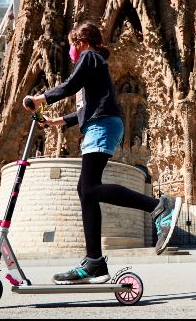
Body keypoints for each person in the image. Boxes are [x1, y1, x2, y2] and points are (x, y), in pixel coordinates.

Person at [23, 21, 182, 285]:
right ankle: (94, 262)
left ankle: (158, 206)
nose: (72, 51)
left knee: (89, 188)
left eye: (73, 45)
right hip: (99, 124)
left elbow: (70, 86)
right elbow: (83, 111)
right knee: (86, 191)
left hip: (103, 125)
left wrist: (40, 99)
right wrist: (54, 122)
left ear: (81, 42)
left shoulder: (90, 57)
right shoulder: (92, 67)